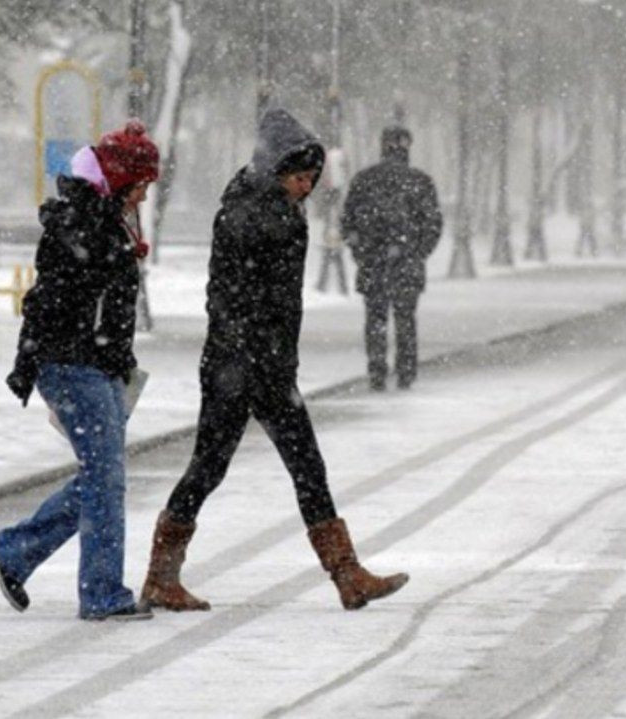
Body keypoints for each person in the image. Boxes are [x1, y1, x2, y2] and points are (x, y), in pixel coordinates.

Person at [141, 109, 408, 612]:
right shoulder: (251, 214)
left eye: (311, 178)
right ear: (274, 168)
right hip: (240, 366)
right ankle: (161, 577)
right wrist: (253, 357)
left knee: (297, 465)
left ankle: (347, 575)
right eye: (298, 176)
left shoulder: (272, 208)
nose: (305, 186)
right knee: (214, 467)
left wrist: (274, 358)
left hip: (262, 365)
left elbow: (273, 302)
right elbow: (229, 297)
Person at [0, 120, 158, 621]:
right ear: (123, 179)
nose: (144, 197)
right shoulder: (81, 221)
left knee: (102, 476)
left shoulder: (105, 220)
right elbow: (54, 300)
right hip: (71, 364)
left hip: (95, 364)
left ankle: (15, 550)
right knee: (106, 478)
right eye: (142, 186)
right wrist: (36, 360)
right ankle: (101, 593)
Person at [341, 125, 443, 391]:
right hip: (406, 264)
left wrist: (361, 252)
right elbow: (433, 225)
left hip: (372, 263)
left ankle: (377, 370)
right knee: (405, 318)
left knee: (375, 319)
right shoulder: (420, 182)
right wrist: (417, 252)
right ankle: (406, 370)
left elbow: (348, 222)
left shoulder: (364, 180)